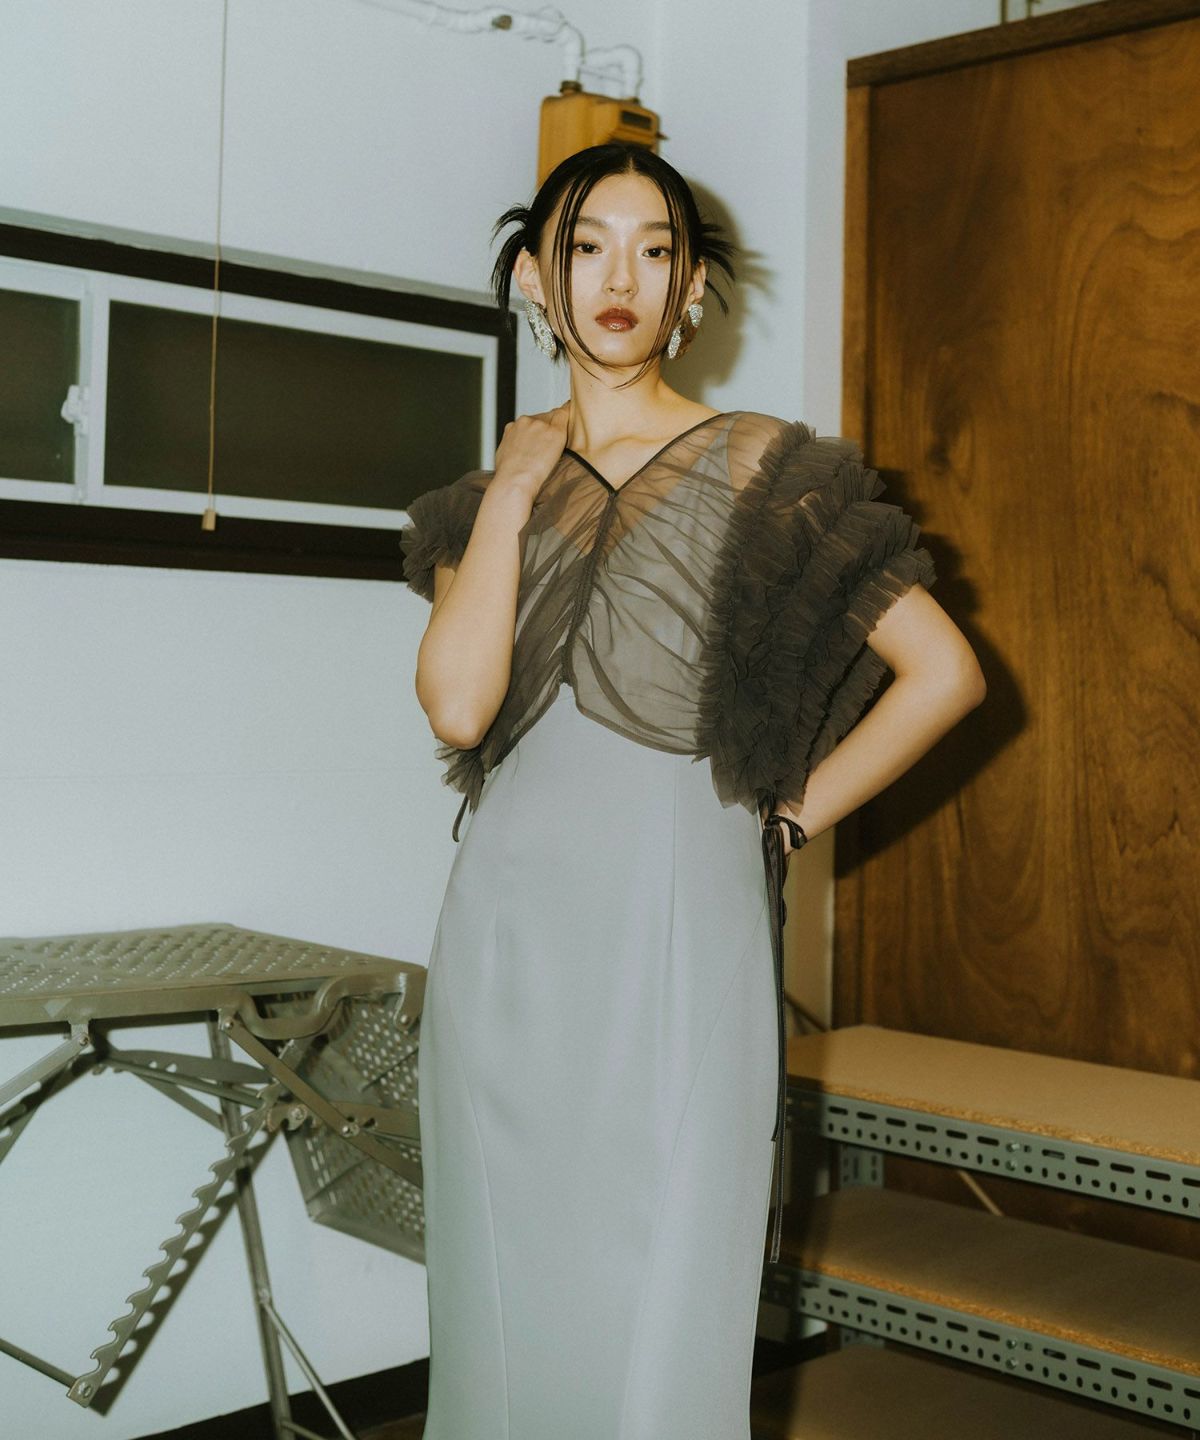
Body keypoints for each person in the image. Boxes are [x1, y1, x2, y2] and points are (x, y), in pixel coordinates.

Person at [399, 140, 986, 1440]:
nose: (621, 278)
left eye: (655, 250)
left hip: (684, 938)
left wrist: (790, 814)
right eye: (586, 247)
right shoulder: (480, 500)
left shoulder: (765, 468)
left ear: (693, 292)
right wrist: (513, 491)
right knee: (500, 1307)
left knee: (673, 1293)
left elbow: (946, 674)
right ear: (533, 280)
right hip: (507, 950)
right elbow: (457, 707)